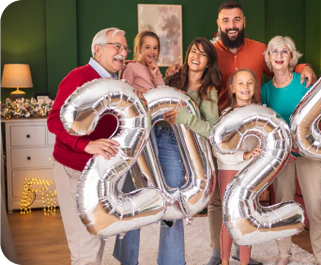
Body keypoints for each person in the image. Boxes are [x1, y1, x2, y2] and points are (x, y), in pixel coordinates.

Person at [167, 3, 318, 264]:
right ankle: (219, 253)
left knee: (247, 195)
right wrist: (174, 70)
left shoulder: (260, 50)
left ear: (244, 21)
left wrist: (301, 66)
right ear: (218, 23)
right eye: (226, 20)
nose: (231, 25)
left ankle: (241, 251)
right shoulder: (210, 52)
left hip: (251, 132)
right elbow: (193, 71)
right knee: (218, 199)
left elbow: (279, 66)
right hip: (218, 131)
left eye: (236, 19)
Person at [113, 37, 221, 265]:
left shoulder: (208, 91)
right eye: (193, 51)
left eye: (202, 54)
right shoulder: (172, 79)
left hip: (175, 149)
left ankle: (171, 262)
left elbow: (212, 129)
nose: (196, 57)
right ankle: (126, 259)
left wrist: (187, 119)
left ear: (209, 63)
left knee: (172, 207)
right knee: (131, 201)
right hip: (147, 140)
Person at [47, 27, 129, 265]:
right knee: (84, 246)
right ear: (97, 49)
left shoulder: (115, 82)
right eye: (117, 46)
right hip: (75, 170)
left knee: (96, 234)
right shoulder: (78, 77)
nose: (123, 52)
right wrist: (85, 145)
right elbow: (54, 120)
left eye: (125, 48)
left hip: (100, 173)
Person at [261, 35, 321, 265]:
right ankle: (284, 254)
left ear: (291, 57)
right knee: (283, 205)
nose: (279, 56)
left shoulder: (304, 81)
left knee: (315, 206)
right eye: (274, 52)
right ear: (268, 57)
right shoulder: (265, 90)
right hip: (283, 156)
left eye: (284, 51)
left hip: (311, 153)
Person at [112, 30, 166, 265]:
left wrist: (156, 75)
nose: (152, 52)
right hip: (137, 134)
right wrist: (146, 92)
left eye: (155, 48)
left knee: (145, 190)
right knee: (130, 192)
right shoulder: (131, 68)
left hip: (155, 132)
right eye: (148, 47)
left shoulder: (155, 71)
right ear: (139, 49)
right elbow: (125, 95)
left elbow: (164, 97)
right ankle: (126, 256)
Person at [212, 69, 262, 265]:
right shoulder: (225, 116)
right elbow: (218, 148)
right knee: (229, 217)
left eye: (249, 83)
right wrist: (243, 155)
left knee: (247, 216)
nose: (245, 87)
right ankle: (224, 261)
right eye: (240, 83)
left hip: (252, 171)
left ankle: (244, 262)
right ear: (232, 88)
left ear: (255, 88)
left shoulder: (261, 114)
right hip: (229, 170)